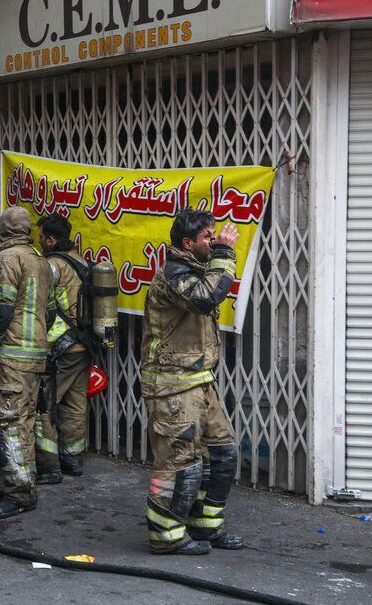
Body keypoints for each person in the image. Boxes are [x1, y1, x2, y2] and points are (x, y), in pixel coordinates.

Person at [140, 208, 244, 556]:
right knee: (178, 462)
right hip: (172, 387)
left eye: (215, 236)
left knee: (223, 453)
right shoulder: (173, 274)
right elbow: (204, 299)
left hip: (199, 383)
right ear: (188, 243)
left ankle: (205, 526)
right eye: (207, 238)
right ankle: (165, 535)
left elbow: (210, 288)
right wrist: (225, 254)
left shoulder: (198, 270)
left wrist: (217, 258)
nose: (214, 241)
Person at [0, 207, 54, 519]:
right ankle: (22, 483)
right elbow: (48, 311)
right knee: (24, 422)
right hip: (35, 351)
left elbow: (1, 310)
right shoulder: (41, 262)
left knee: (9, 423)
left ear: (3, 230)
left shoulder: (6, 259)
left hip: (12, 354)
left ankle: (20, 494)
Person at [35, 214, 92, 483]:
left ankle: (49, 465)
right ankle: (73, 458)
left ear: (51, 239)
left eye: (41, 237)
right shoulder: (82, 261)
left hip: (59, 348)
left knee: (44, 405)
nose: (39, 242)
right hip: (83, 345)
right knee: (75, 403)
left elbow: (39, 305)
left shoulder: (52, 266)